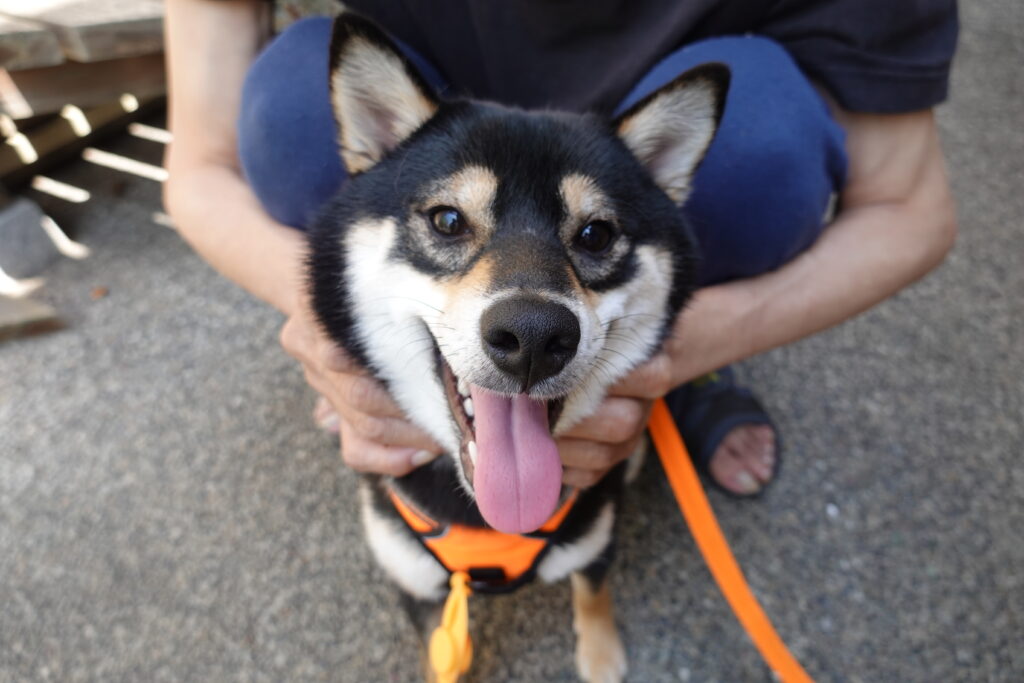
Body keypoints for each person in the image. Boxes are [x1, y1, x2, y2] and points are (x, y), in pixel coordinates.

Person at [163, 0, 958, 496]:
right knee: (294, 106)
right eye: (449, 224)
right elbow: (199, 167)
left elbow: (910, 209)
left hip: (639, 151)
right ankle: (405, 342)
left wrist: (668, 352)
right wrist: (331, 323)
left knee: (758, 139)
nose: (528, 321)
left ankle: (689, 367)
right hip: (431, 120)